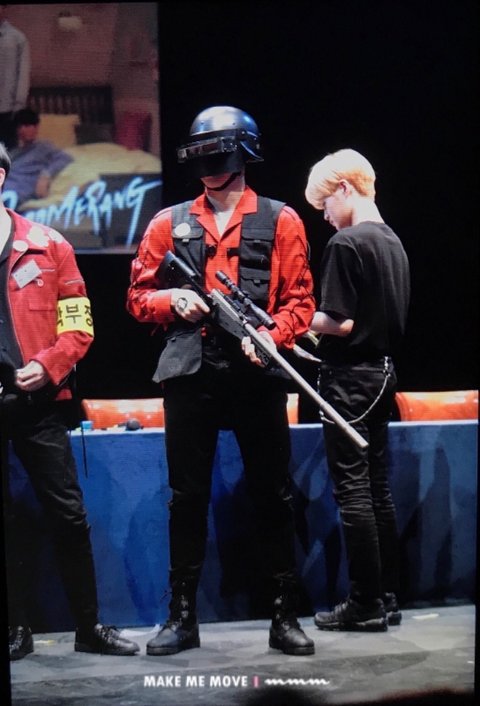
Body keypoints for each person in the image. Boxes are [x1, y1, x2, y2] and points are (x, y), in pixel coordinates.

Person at [127, 105, 316, 656]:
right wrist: (171, 299)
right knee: (186, 497)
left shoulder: (281, 219)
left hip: (256, 373)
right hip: (191, 372)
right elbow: (137, 296)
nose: (210, 169)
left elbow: (301, 300)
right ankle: (182, 617)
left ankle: (284, 614)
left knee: (273, 495)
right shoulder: (168, 222)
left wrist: (273, 335)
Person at [0, 142, 140, 660]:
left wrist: (49, 365)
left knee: (69, 514)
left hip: (38, 403)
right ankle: (15, 628)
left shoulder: (49, 245)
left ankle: (88, 626)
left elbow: (78, 325)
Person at [304, 148, 410, 631]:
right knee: (377, 488)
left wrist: (296, 319)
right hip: (384, 375)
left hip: (349, 380)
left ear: (345, 188)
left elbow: (340, 322)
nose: (325, 216)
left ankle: (365, 602)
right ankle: (386, 595)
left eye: (325, 204)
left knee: (353, 492)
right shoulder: (393, 241)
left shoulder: (346, 244)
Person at [3, 108, 73, 207]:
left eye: (28, 126)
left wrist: (45, 176)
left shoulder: (43, 146)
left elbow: (65, 158)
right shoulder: (13, 150)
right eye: (21, 127)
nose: (24, 130)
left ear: (36, 127)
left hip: (19, 188)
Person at [0, 5, 30, 149]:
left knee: (8, 153)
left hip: (7, 110)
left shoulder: (17, 38)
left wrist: (19, 107)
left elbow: (23, 73)